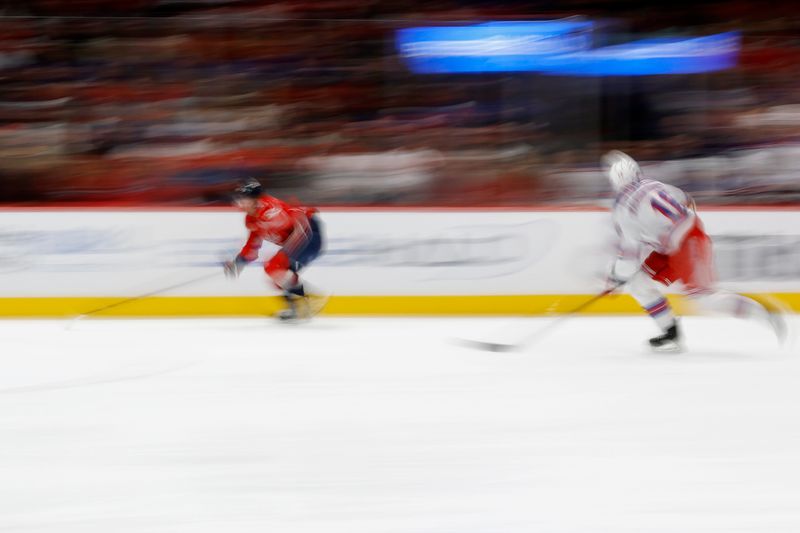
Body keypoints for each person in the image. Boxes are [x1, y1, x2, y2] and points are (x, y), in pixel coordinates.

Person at [604, 150, 786, 352]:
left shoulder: (622, 210)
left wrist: (616, 278)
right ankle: (671, 334)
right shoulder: (654, 184)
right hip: (685, 238)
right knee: (640, 284)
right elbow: (687, 200)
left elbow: (629, 255)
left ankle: (760, 311)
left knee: (702, 298)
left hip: (683, 243)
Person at [224, 178, 326, 321]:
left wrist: (284, 256)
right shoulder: (252, 219)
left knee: (274, 267)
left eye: (243, 199)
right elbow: (253, 245)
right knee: (276, 274)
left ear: (255, 199)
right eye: (239, 199)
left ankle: (311, 298)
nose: (240, 203)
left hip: (309, 235)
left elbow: (300, 227)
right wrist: (238, 262)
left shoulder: (271, 211)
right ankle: (295, 309)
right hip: (302, 236)